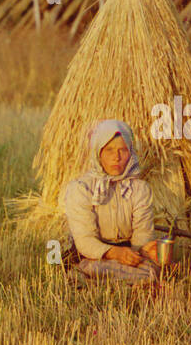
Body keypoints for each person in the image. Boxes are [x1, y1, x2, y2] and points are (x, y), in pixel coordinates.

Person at [62, 119, 160, 285]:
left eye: (123, 150)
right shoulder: (81, 188)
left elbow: (142, 233)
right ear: (98, 153)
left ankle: (96, 281)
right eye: (109, 150)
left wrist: (142, 251)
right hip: (93, 256)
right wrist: (114, 253)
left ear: (131, 152)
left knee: (153, 269)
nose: (117, 157)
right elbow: (85, 240)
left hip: (127, 255)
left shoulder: (140, 189)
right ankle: (89, 275)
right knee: (97, 267)